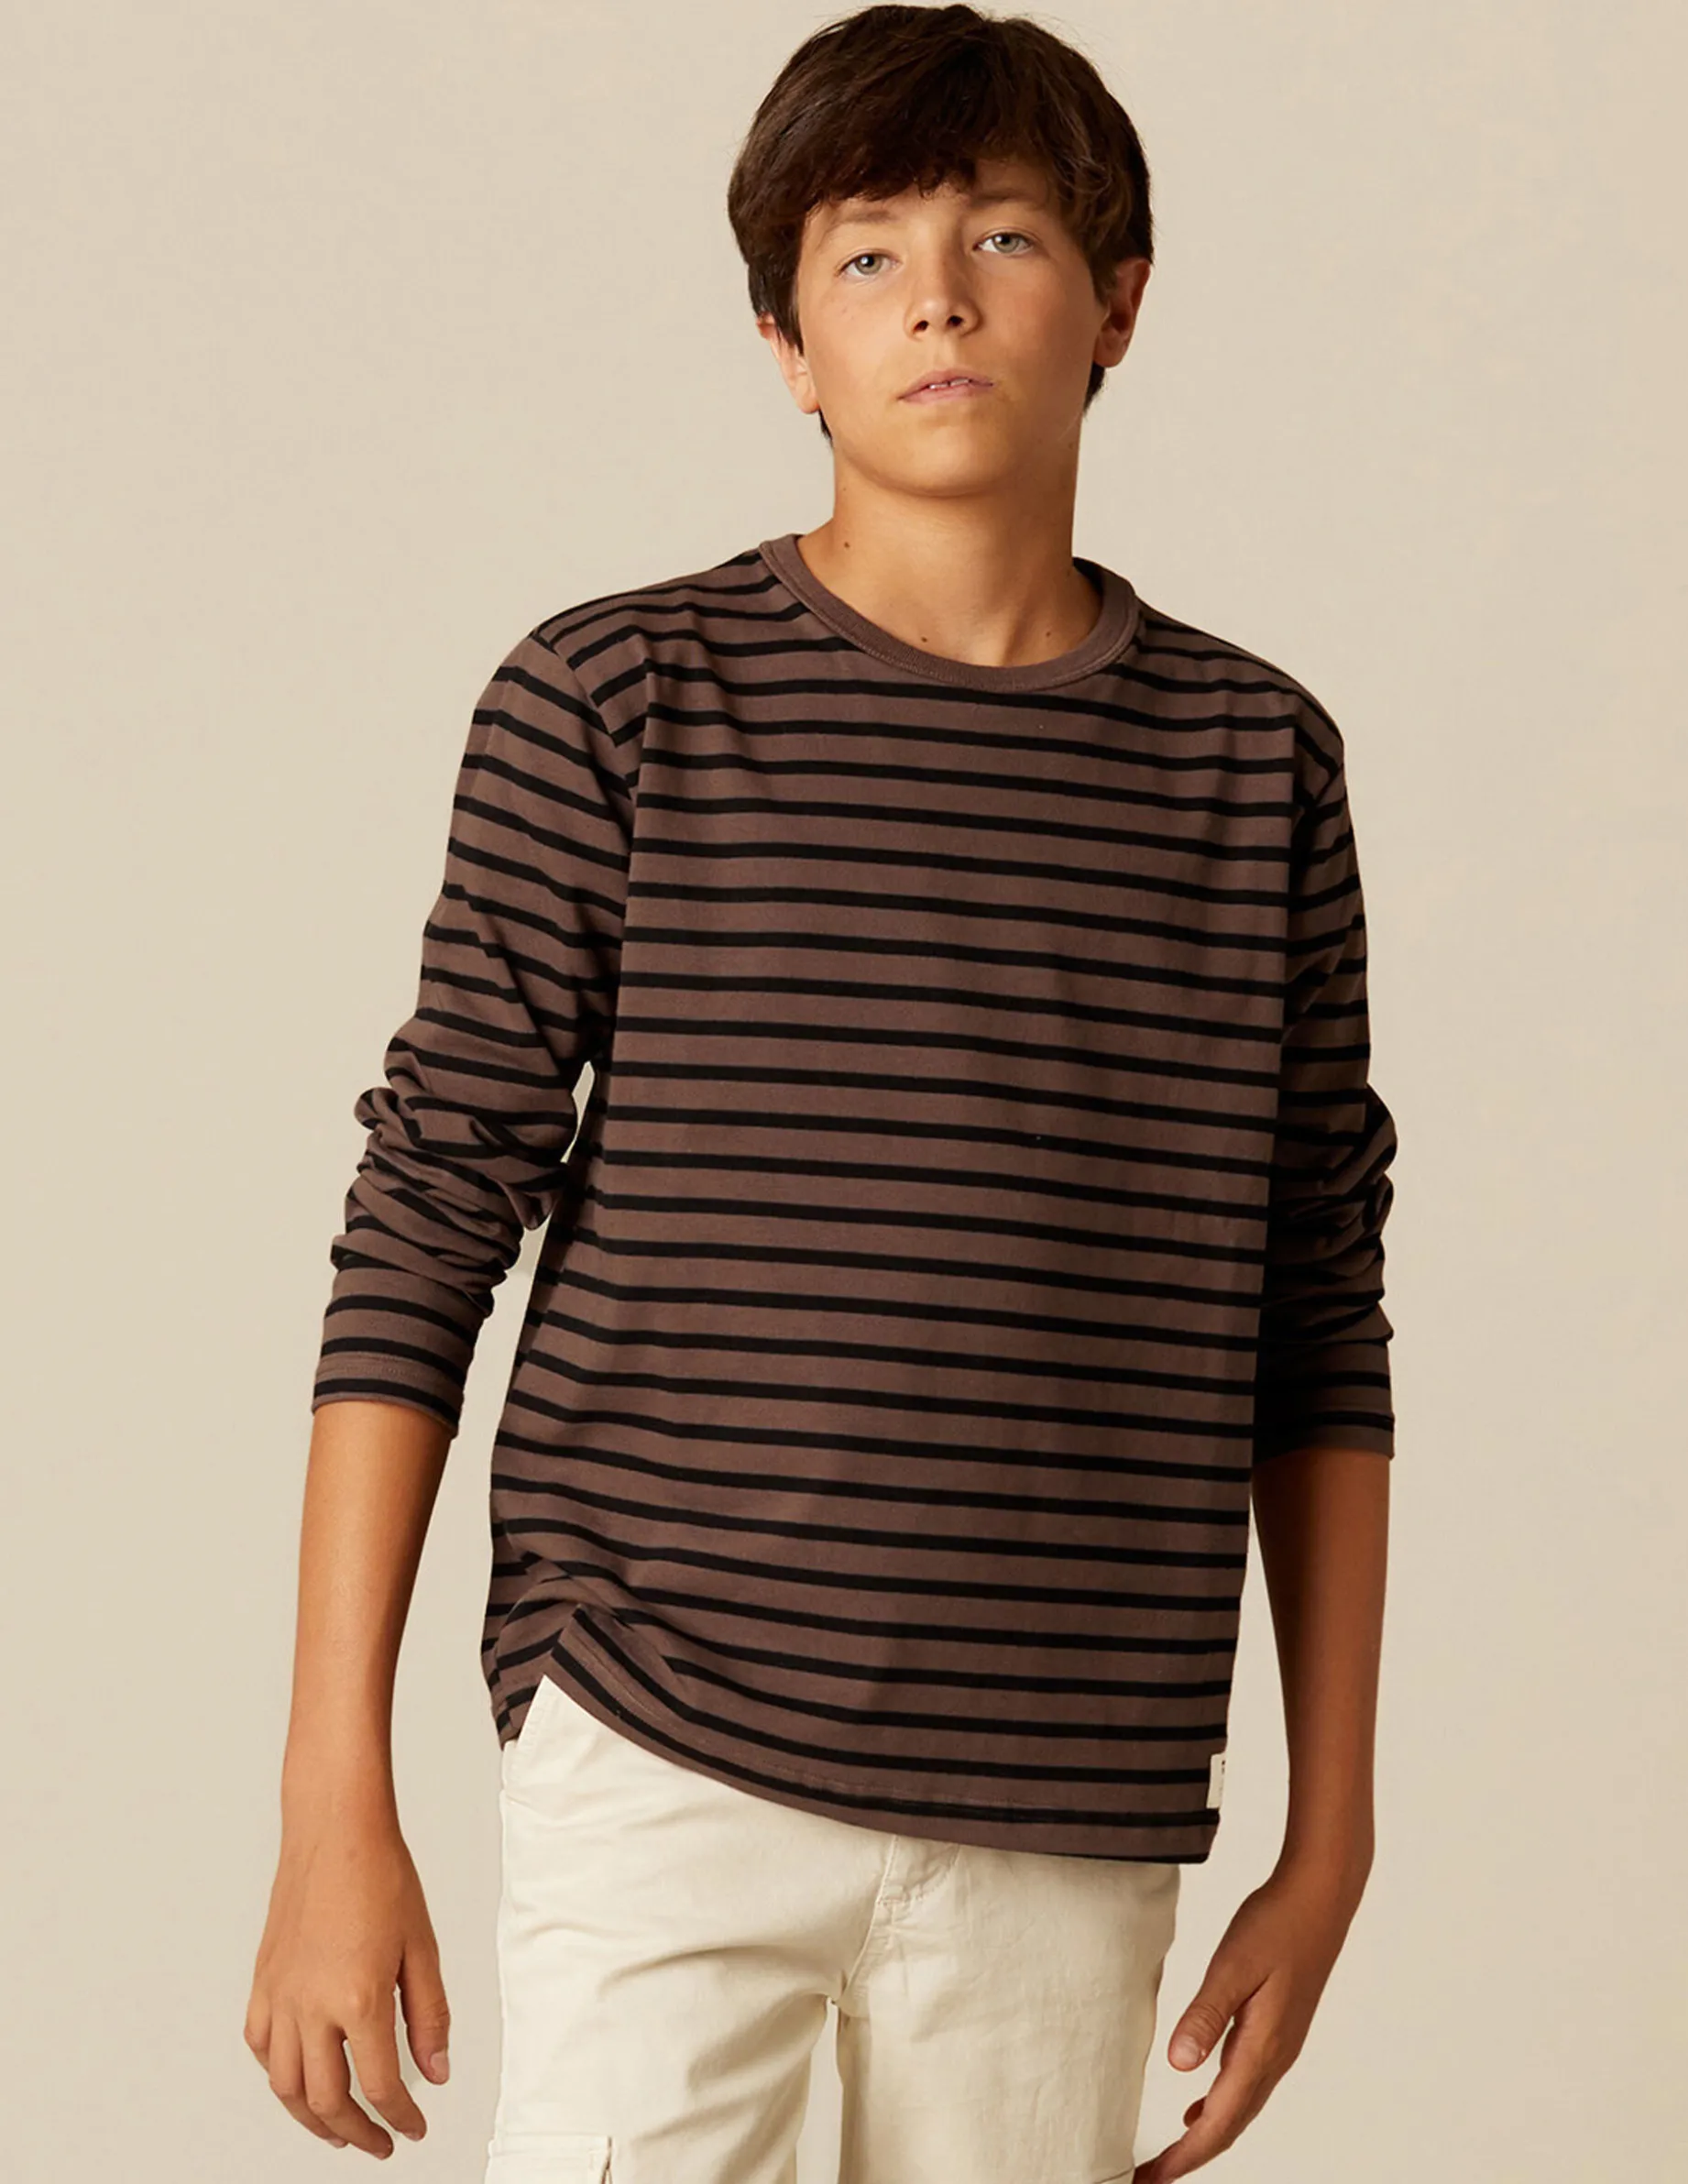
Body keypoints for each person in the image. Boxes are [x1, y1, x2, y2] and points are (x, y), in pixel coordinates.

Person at [245, 7, 1398, 2180]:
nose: (937, 299)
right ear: (785, 341)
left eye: (1004, 237)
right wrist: (333, 1801)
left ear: (1121, 301)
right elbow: (425, 1221)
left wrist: (1329, 1841)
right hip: (661, 1745)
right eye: (866, 256)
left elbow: (1317, 1302)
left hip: (1066, 1806)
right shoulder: (616, 701)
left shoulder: (1256, 765)